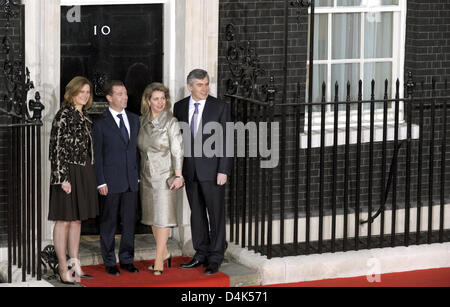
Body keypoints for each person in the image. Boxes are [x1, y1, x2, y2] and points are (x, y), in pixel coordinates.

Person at [173, 69, 231, 275]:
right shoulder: (179, 107)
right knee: (196, 214)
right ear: (190, 86)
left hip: (213, 171)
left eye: (206, 84)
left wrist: (223, 170)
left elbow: (227, 141)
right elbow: (177, 140)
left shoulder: (220, 107)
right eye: (200, 85)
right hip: (190, 171)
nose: (205, 88)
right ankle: (201, 254)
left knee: (215, 215)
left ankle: (215, 257)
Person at [48, 76, 99, 284]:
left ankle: (74, 263)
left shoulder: (85, 116)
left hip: (84, 171)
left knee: (77, 219)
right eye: (82, 91)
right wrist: (62, 178)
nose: (85, 95)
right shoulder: (63, 115)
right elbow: (56, 149)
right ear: (72, 92)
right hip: (67, 172)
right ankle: (62, 266)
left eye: (88, 92)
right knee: (64, 220)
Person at [93, 80, 140, 276]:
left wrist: (137, 175)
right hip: (110, 182)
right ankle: (110, 261)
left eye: (126, 93)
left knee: (129, 222)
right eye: (120, 94)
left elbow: (136, 149)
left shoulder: (135, 119)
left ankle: (127, 259)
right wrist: (100, 181)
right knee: (109, 222)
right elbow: (97, 155)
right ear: (109, 98)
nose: (125, 97)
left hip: (131, 181)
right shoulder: (100, 123)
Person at [137, 82, 184, 275]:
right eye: (155, 99)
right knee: (153, 218)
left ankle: (158, 260)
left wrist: (178, 175)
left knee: (163, 219)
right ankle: (163, 252)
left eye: (163, 98)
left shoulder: (171, 122)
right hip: (146, 176)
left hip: (165, 177)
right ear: (148, 101)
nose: (160, 102)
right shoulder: (142, 121)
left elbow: (177, 150)